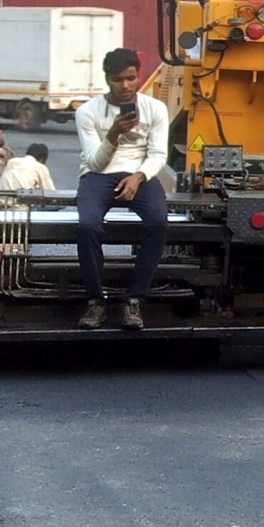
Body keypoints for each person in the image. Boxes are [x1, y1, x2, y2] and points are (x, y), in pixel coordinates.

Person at [74, 48, 172, 331]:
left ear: (138, 75)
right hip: (98, 174)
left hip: (140, 173)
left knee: (158, 223)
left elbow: (157, 155)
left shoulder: (155, 108)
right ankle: (96, 301)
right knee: (88, 226)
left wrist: (139, 176)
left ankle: (134, 300)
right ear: (107, 79)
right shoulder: (87, 112)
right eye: (118, 80)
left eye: (131, 78)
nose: (126, 85)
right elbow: (94, 161)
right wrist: (114, 134)